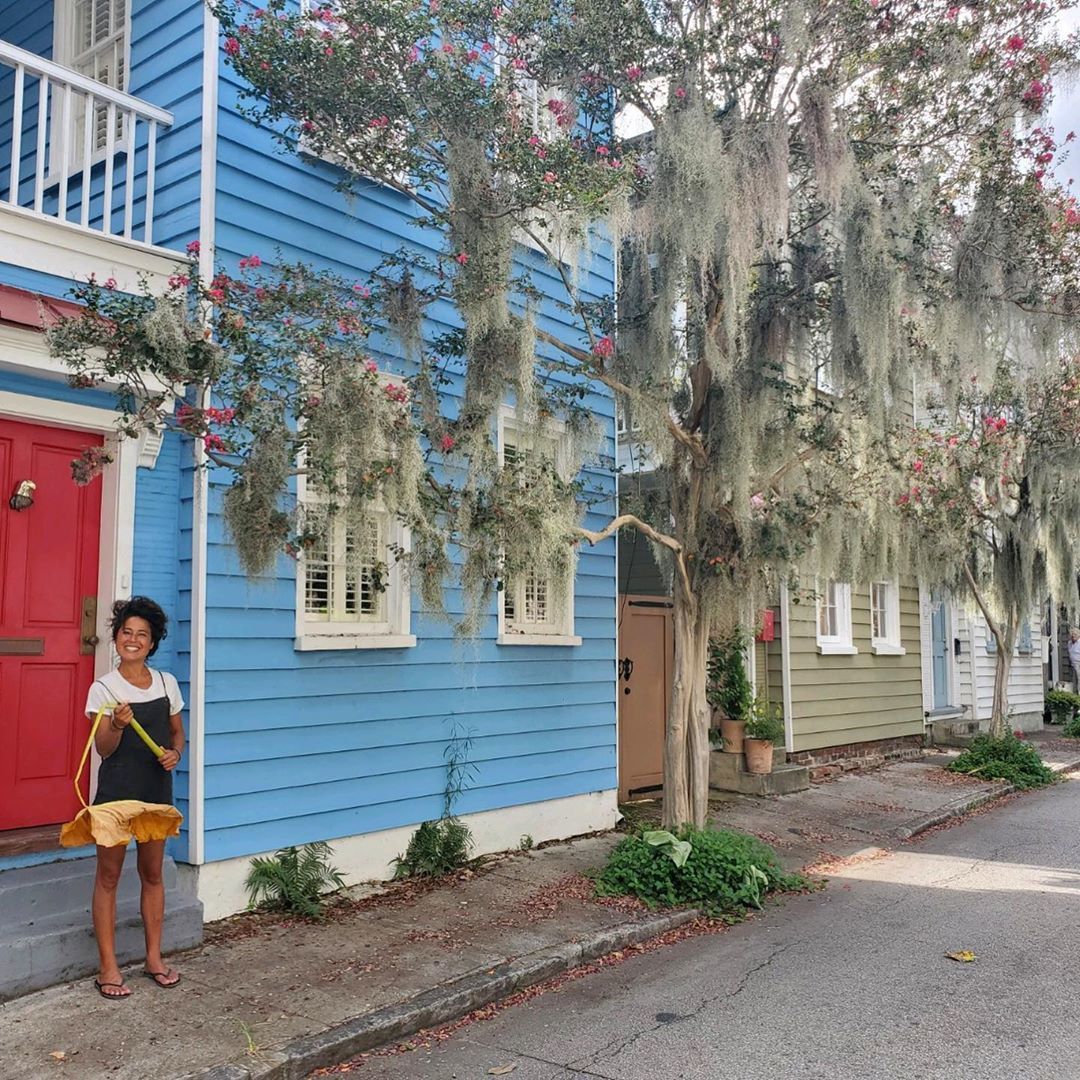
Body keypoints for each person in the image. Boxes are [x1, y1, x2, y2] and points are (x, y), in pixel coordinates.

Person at [85, 597, 185, 999]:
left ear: (152, 642)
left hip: (155, 792)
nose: (133, 639)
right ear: (116, 638)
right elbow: (103, 749)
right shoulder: (104, 689)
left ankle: (154, 958)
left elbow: (176, 734)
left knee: (153, 874)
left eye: (142, 634)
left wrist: (175, 754)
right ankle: (107, 968)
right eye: (126, 632)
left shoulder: (166, 683)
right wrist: (116, 723)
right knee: (108, 877)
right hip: (116, 793)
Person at [1069, 628, 1080, 694]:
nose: (1073, 636)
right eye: (1072, 634)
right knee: (1074, 680)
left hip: (1079, 663)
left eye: (1075, 634)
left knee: (1079, 678)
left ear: (1079, 635)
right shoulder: (1069, 643)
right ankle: (1074, 693)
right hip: (1073, 664)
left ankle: (1079, 694)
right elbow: (1070, 652)